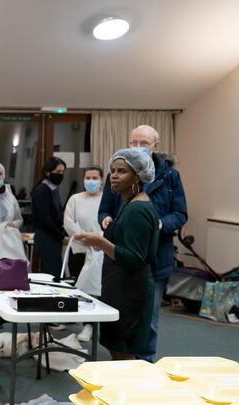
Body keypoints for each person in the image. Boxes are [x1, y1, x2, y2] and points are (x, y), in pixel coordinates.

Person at [98, 125, 188, 361]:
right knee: (122, 319)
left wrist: (160, 224)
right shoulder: (118, 175)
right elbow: (106, 208)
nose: (137, 148)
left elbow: (180, 213)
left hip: (154, 258)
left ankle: (144, 369)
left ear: (155, 146)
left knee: (148, 319)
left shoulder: (169, 177)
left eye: (143, 144)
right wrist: (106, 220)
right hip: (123, 259)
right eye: (133, 142)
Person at [76, 149, 159, 360]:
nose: (114, 175)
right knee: (117, 352)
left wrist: (101, 242)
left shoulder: (138, 210)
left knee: (124, 355)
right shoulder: (128, 204)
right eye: (113, 170)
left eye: (122, 171)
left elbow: (134, 258)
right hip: (120, 287)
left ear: (138, 176)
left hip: (131, 291)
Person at [64, 165, 104, 342]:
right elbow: (68, 222)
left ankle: (94, 324)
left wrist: (98, 241)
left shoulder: (107, 200)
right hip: (79, 248)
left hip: (101, 250)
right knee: (80, 288)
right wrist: (85, 238)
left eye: (95, 178)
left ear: (102, 180)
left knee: (97, 288)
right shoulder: (75, 199)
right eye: (88, 178)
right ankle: (81, 321)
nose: (91, 181)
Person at [31, 157, 69, 277]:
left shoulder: (53, 189)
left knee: (53, 270)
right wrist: (61, 237)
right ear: (48, 172)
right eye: (58, 172)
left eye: (63, 172)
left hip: (52, 236)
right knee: (52, 272)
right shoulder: (43, 190)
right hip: (47, 236)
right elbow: (45, 220)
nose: (61, 175)